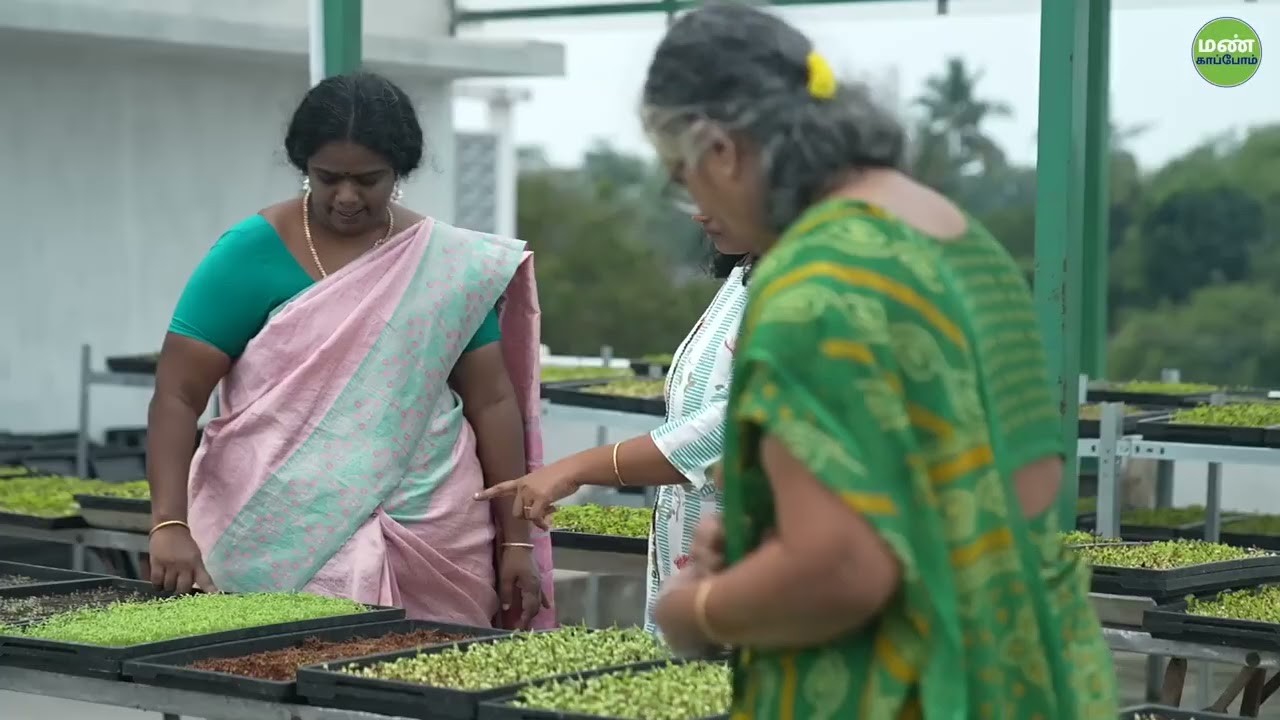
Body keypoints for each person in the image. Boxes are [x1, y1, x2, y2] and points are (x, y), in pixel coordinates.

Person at [641, 4, 1118, 719]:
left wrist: (697, 610)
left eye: (683, 175)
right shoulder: (960, 242)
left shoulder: (814, 284)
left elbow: (841, 569)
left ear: (721, 150)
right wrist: (765, 540)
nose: (696, 204)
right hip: (1023, 675)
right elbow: (1025, 488)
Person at [145, 72, 554, 630]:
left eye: (369, 180)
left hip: (432, 529)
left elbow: (493, 402)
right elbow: (177, 394)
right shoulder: (250, 253)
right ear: (303, 166)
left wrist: (516, 543)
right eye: (327, 177)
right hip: (276, 529)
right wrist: (169, 524)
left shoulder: (444, 262)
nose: (345, 197)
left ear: (400, 172)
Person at [476, 211, 753, 633]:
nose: (701, 210)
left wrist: (578, 468)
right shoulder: (749, 274)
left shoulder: (813, 290)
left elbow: (729, 428)